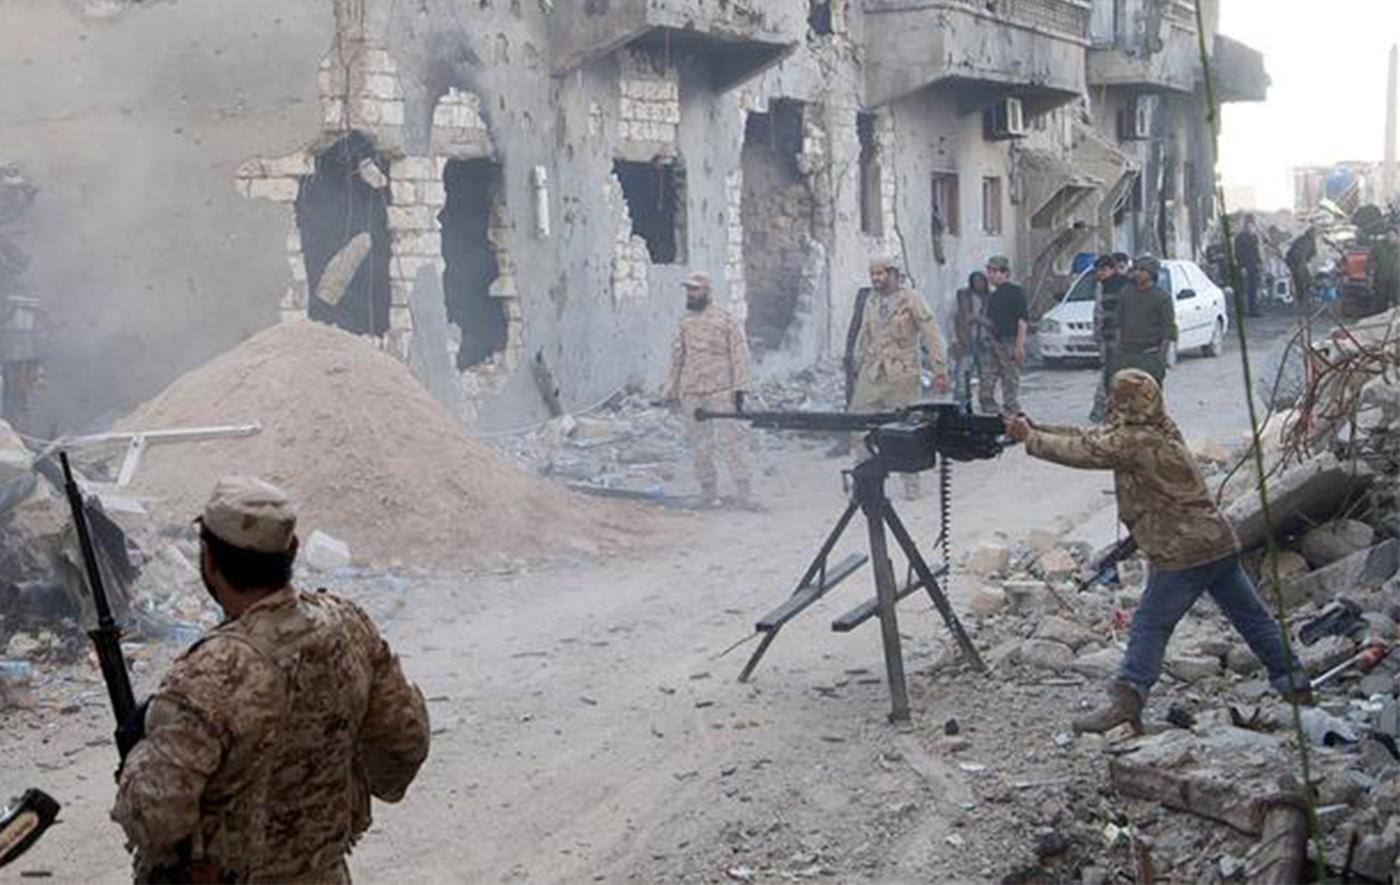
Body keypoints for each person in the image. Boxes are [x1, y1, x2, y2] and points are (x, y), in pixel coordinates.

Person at [112, 477, 430, 882]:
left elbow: (153, 820)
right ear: (292, 549)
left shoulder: (209, 673)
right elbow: (404, 745)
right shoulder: (348, 626)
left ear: (208, 559)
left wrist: (138, 755)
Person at [1007, 370, 1312, 734]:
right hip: (1217, 543)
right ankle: (1295, 686)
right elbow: (1094, 437)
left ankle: (1127, 702)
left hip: (1182, 551)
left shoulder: (1137, 442)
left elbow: (1085, 451)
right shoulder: (1159, 429)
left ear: (1124, 401)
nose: (1110, 403)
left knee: (1150, 625)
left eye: (1115, 397)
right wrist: (1037, 427)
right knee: (1253, 619)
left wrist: (1031, 439)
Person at [851, 256, 950, 498]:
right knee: (858, 425)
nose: (876, 279)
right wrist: (857, 362)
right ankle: (864, 480)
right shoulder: (872, 300)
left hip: (902, 375)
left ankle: (911, 484)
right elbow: (864, 333)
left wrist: (940, 370)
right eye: (873, 274)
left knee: (906, 429)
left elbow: (931, 334)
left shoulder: (911, 300)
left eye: (880, 273)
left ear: (894, 274)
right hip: (873, 373)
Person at [666, 273, 754, 509]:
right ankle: (708, 492)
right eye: (688, 290)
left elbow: (740, 354)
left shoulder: (726, 320)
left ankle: (744, 493)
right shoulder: (684, 323)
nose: (690, 294)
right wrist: (671, 390)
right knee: (700, 445)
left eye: (695, 290)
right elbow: (677, 357)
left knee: (733, 441)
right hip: (692, 391)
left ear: (707, 291)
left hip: (721, 390)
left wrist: (740, 388)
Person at [1115, 255, 1177, 388]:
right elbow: (1119, 324)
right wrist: (1118, 353)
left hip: (1150, 354)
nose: (1137, 273)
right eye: (1136, 269)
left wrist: (1160, 360)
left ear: (1152, 274)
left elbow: (1168, 332)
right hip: (1128, 355)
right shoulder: (1125, 294)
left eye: (1142, 270)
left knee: (1149, 396)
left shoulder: (1162, 298)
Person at [977, 255, 1027, 417]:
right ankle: (987, 403)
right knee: (988, 374)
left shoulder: (1015, 292)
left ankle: (1011, 407)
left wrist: (1019, 345)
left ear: (1005, 273)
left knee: (1010, 376)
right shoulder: (994, 296)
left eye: (994, 271)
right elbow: (992, 321)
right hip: (995, 340)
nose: (990, 275)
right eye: (989, 271)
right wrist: (978, 320)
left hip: (1010, 340)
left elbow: (1022, 320)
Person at [1088, 254, 1130, 423]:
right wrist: (1097, 334)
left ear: (1109, 269)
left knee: (1112, 375)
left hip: (1118, 339)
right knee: (1109, 373)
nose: (1098, 274)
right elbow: (1099, 313)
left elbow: (1121, 315)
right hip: (1108, 337)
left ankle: (1106, 409)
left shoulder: (1122, 285)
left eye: (1100, 271)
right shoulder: (1103, 286)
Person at [950, 271, 990, 411]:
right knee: (961, 377)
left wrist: (978, 319)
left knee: (986, 378)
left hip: (984, 343)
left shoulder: (990, 298)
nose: (978, 284)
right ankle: (960, 407)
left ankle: (986, 405)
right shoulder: (963, 296)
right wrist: (955, 340)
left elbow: (994, 322)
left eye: (981, 281)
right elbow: (955, 319)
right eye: (975, 281)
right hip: (965, 343)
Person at [1234, 214, 1262, 317]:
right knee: (1243, 289)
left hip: (1253, 265)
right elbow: (1238, 253)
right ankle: (1242, 310)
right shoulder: (1240, 238)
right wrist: (1242, 266)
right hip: (1245, 265)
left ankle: (1252, 309)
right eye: (1248, 224)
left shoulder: (1254, 237)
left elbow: (1256, 251)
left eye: (1252, 224)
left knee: (1253, 288)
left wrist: (1259, 262)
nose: (1250, 226)